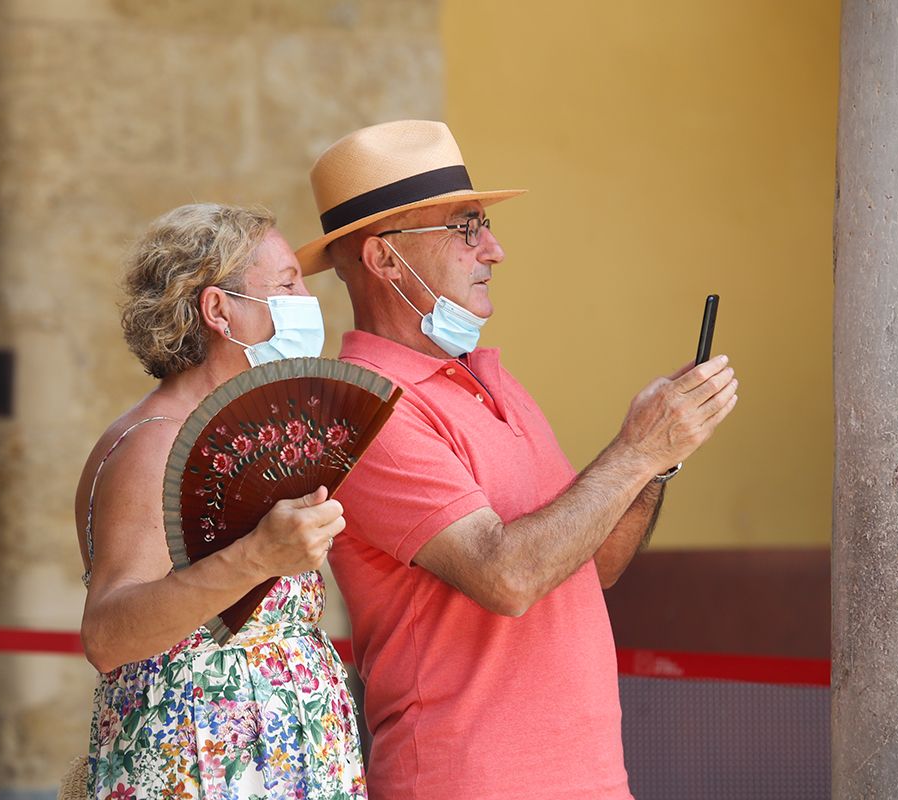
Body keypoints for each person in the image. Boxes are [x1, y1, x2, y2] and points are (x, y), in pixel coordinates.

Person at [293, 120, 739, 800]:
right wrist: (638, 448)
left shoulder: (490, 377)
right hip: (467, 782)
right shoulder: (363, 407)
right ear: (386, 259)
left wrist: (658, 461)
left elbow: (595, 564)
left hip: (588, 778)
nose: (494, 250)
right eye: (467, 227)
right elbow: (508, 576)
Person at [74, 203, 366, 800]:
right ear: (217, 310)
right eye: (286, 284)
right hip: (202, 766)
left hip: (277, 762)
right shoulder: (155, 444)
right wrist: (258, 557)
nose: (308, 300)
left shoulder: (228, 434)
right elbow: (109, 635)